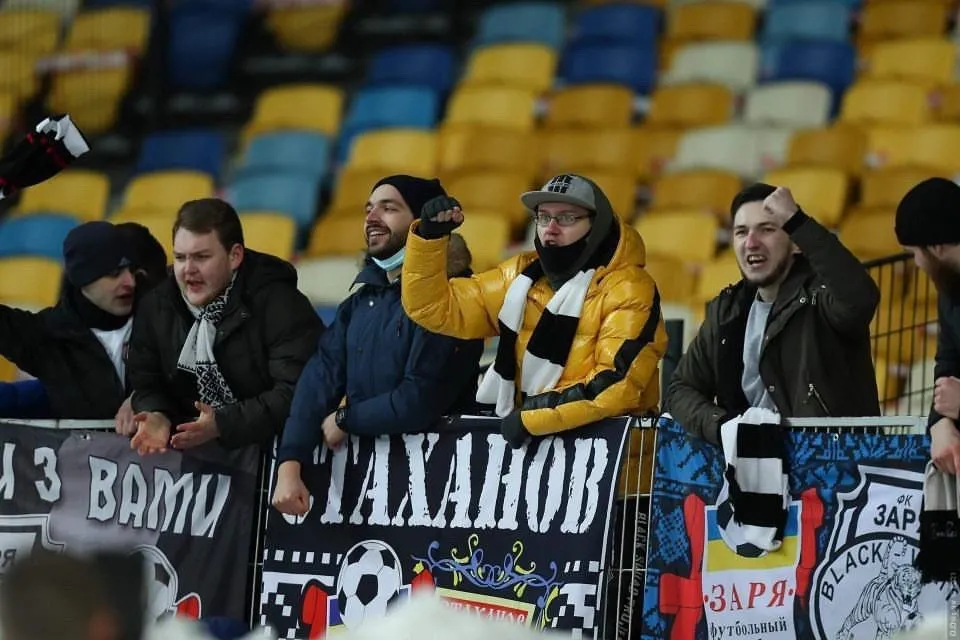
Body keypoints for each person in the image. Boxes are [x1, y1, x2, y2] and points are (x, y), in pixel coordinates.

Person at [399, 173, 668, 450]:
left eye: (567, 218)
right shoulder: (519, 276)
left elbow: (616, 384)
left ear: (597, 226)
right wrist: (429, 240)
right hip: (534, 456)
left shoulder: (630, 288)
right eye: (543, 217)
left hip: (611, 460)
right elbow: (433, 308)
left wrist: (532, 417)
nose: (551, 228)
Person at [272, 175, 483, 516]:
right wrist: (289, 463)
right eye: (369, 209)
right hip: (367, 493)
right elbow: (318, 381)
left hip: (441, 496)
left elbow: (420, 399)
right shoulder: (359, 303)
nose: (371, 218)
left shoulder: (454, 298)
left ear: (421, 222)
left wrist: (346, 418)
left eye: (389, 208)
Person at [666, 183, 881, 444]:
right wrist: (723, 426)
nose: (751, 243)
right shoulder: (727, 310)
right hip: (747, 461)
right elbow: (680, 390)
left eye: (767, 229)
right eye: (741, 232)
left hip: (830, 460)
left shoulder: (821, 297)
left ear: (796, 243)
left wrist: (798, 221)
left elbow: (860, 299)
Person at [127, 198, 323, 454]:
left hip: (276, 456)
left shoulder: (281, 304)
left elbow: (297, 391)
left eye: (201, 257)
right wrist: (156, 413)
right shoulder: (157, 304)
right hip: (194, 461)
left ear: (234, 256)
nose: (188, 270)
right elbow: (146, 380)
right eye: (180, 257)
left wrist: (223, 424)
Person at [0, 221, 161, 420]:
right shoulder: (48, 335)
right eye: (114, 273)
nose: (130, 282)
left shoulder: (164, 311)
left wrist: (147, 396)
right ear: (83, 278)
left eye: (131, 270)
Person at [894, 177, 960, 474]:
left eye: (914, 254)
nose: (917, 265)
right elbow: (947, 363)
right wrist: (940, 423)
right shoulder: (950, 289)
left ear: (937, 247)